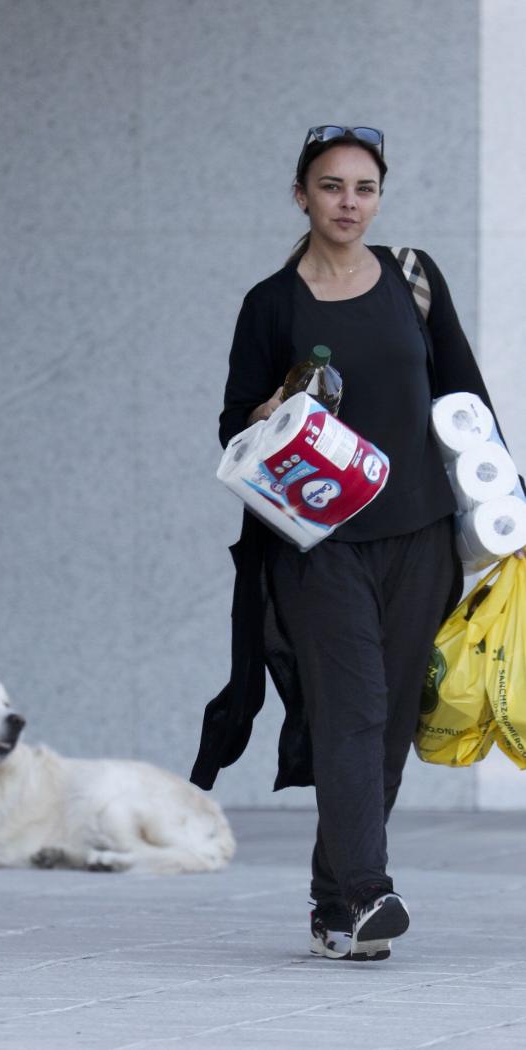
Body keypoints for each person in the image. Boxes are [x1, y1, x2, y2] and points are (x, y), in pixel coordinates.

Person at [190, 125, 525, 962]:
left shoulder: (413, 278)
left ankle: (334, 903)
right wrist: (273, 411)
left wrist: (508, 505)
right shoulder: (271, 304)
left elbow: (464, 397)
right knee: (352, 707)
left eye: (364, 188)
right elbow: (232, 426)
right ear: (300, 195)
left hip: (420, 536)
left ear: (379, 197)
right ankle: (371, 891)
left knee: (390, 721)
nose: (349, 203)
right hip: (319, 542)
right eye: (331, 186)